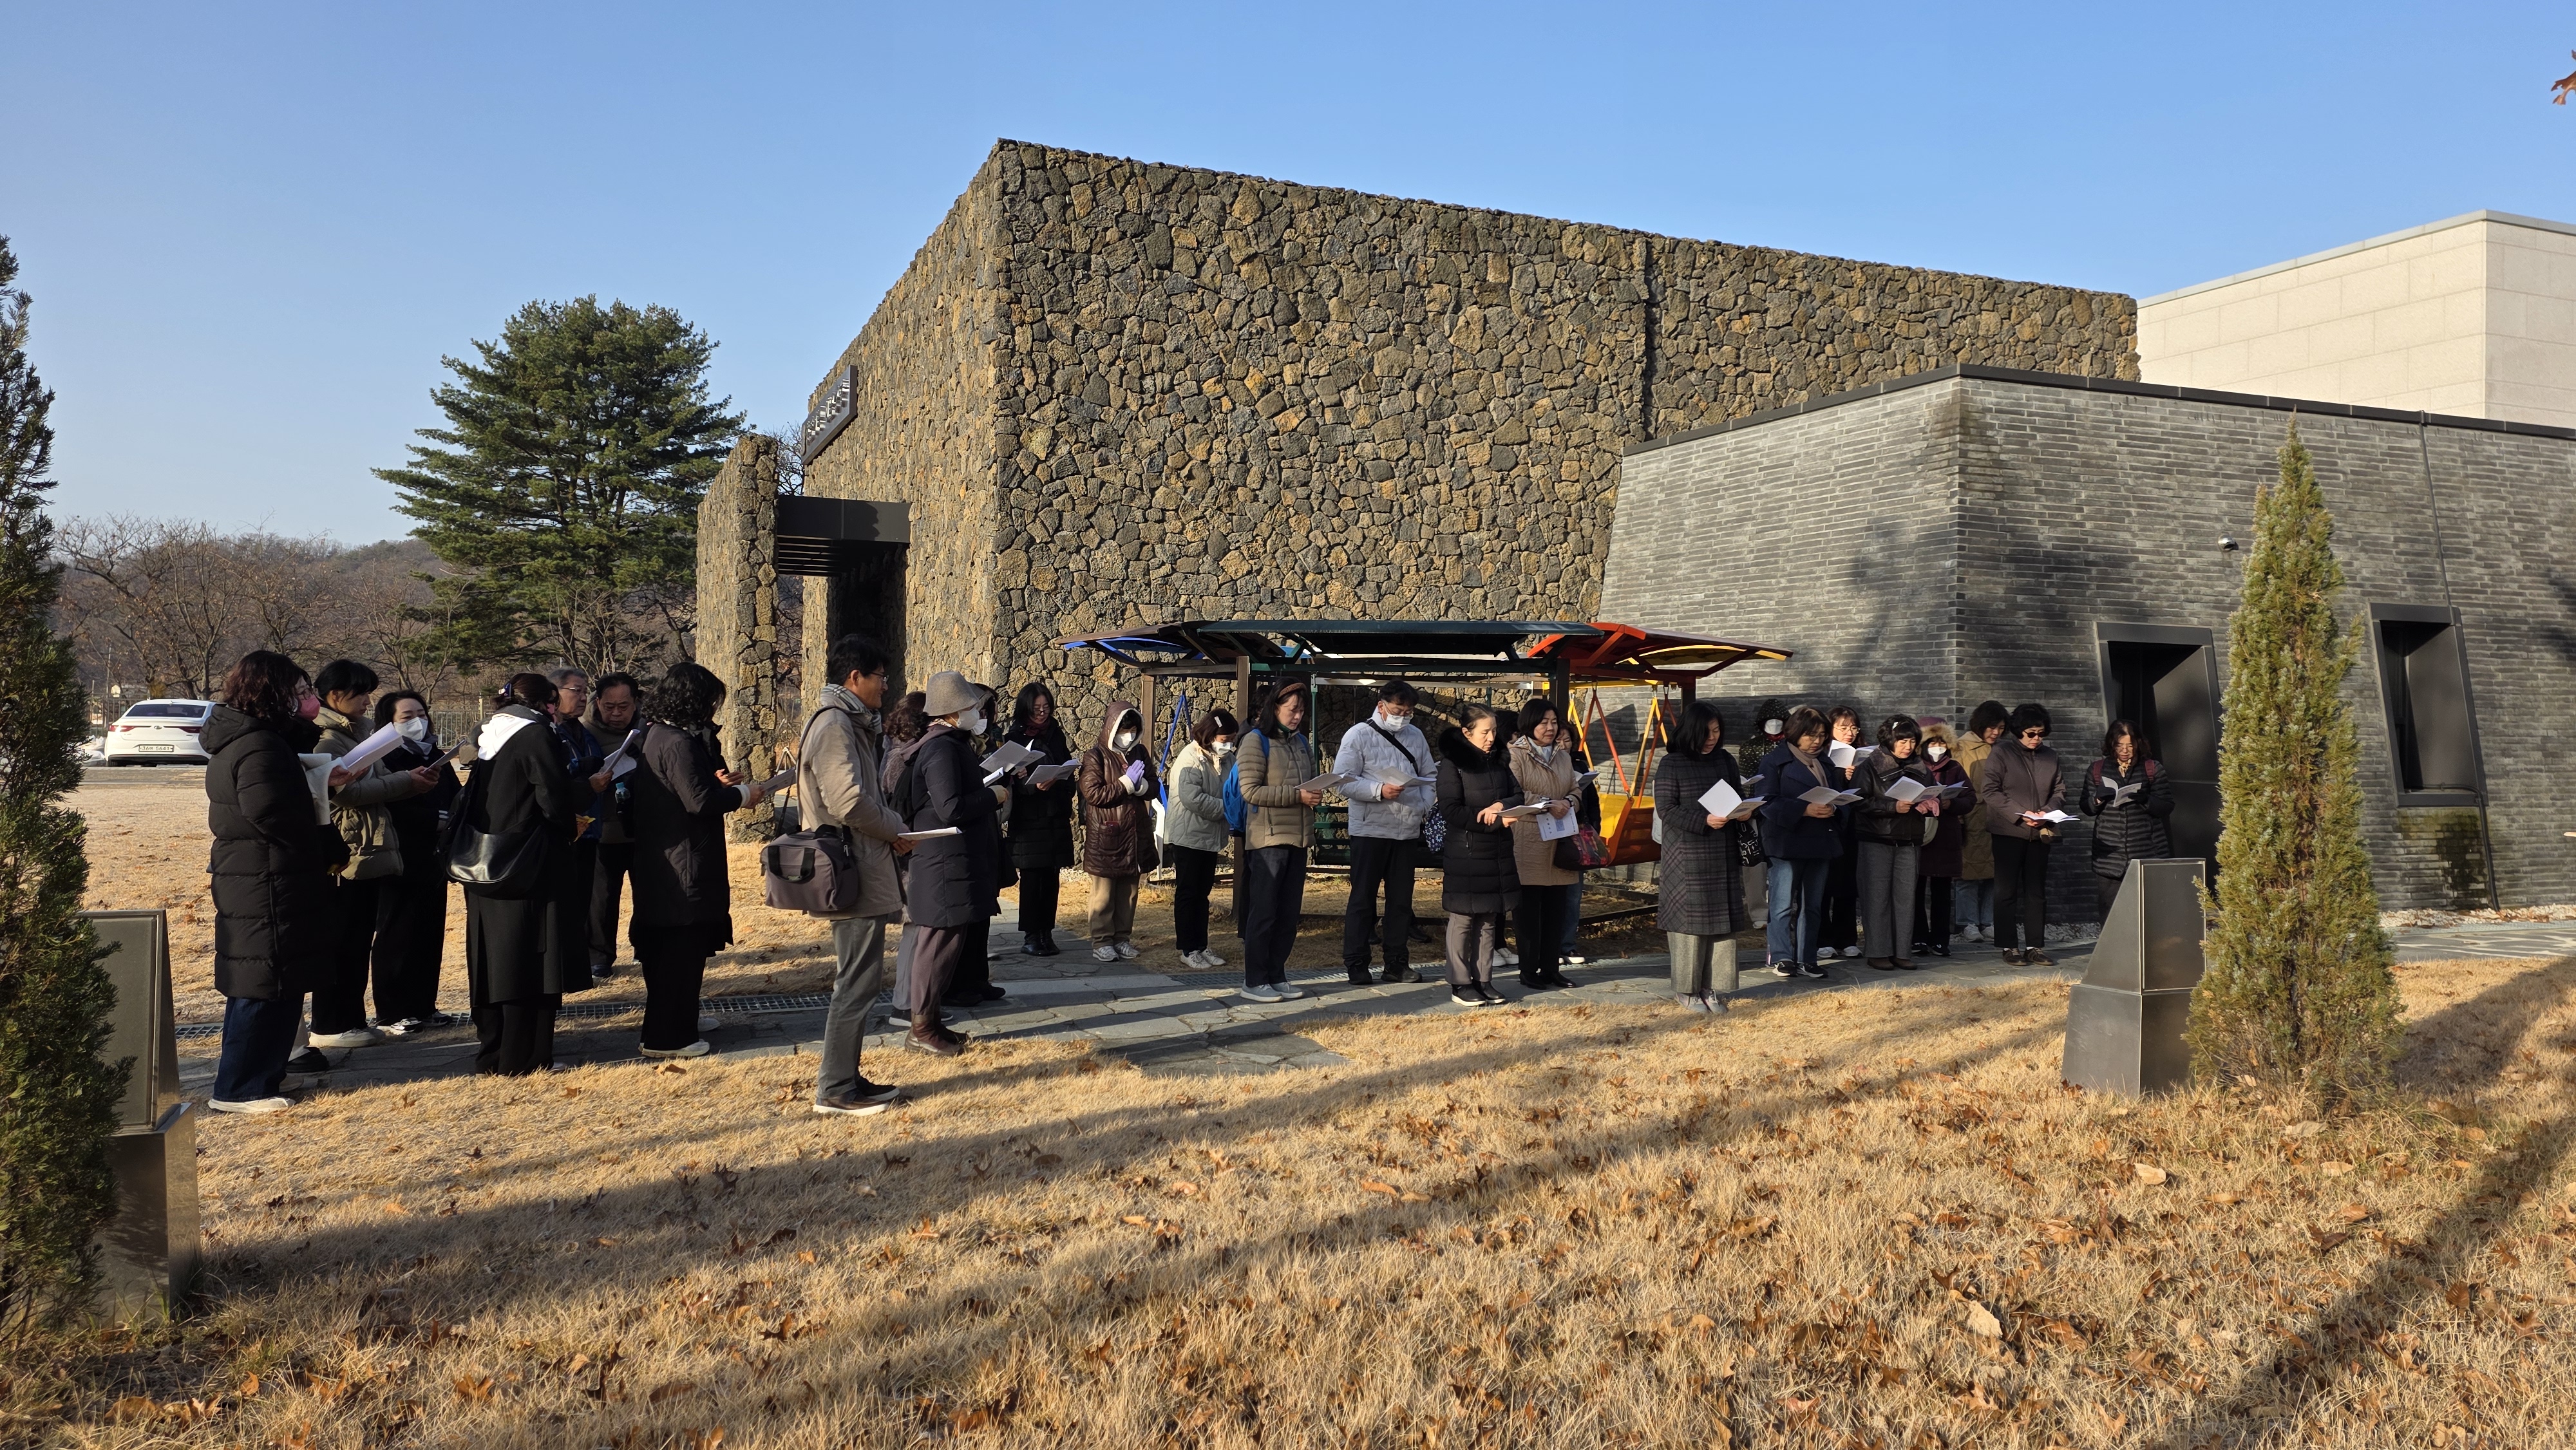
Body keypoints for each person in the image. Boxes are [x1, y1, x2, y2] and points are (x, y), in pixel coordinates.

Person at [205, 652, 350, 1113]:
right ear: (274, 695)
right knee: (263, 983)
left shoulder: (264, 740)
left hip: (271, 875)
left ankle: (267, 1073)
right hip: (265, 879)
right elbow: (269, 812)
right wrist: (317, 830)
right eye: (301, 692)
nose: (310, 701)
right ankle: (239, 1088)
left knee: (280, 980)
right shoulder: (258, 746)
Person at [628, 661, 770, 1059]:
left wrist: (716, 784)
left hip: (668, 854)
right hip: (682, 858)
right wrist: (743, 795)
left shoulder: (658, 734)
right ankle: (667, 1037)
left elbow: (685, 789)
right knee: (679, 947)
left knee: (676, 948)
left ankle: (680, 1019)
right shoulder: (676, 741)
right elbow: (700, 802)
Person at [797, 634, 913, 1115]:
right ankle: (836, 1088)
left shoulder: (847, 723)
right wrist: (894, 828)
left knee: (860, 981)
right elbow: (846, 801)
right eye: (880, 677)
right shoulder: (836, 725)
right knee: (856, 982)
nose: (886, 686)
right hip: (853, 869)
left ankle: (846, 1076)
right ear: (854, 678)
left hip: (860, 864)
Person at [458, 673, 594, 1073]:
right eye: (553, 703)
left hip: (487, 860)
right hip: (527, 864)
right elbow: (552, 798)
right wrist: (577, 812)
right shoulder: (535, 734)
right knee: (528, 959)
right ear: (545, 704)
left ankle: (494, 1052)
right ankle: (525, 1058)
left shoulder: (488, 731)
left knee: (491, 958)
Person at [307, 659, 435, 1048]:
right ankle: (331, 1025)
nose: (367, 701)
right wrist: (406, 782)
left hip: (366, 847)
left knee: (358, 939)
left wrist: (405, 781)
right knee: (344, 940)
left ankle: (351, 1020)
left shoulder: (357, 733)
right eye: (361, 693)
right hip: (349, 849)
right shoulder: (329, 740)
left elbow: (370, 783)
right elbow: (347, 793)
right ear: (335, 696)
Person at [893, 670, 1005, 1056]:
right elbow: (951, 807)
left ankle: (932, 1021)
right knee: (936, 945)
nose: (978, 712)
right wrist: (994, 797)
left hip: (950, 862)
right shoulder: (941, 748)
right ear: (954, 711)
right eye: (972, 705)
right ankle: (922, 1029)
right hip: (942, 865)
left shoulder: (948, 744)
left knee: (947, 943)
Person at [370, 690, 460, 1033]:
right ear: (389, 723)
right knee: (397, 933)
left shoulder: (436, 754)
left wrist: (452, 819)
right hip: (399, 856)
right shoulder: (384, 757)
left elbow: (455, 795)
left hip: (434, 857)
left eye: (421, 714)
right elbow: (388, 805)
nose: (417, 722)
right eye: (407, 717)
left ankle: (424, 1005)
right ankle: (392, 1011)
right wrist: (434, 819)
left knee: (429, 932)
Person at [1652, 700, 1751, 1011]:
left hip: (1723, 852)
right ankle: (1687, 990)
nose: (1712, 738)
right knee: (1689, 927)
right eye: (1706, 732)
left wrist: (1745, 811)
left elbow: (1738, 796)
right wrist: (1704, 820)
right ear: (1691, 731)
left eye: (1717, 731)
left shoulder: (1725, 759)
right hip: (1687, 855)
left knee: (1722, 925)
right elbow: (1666, 809)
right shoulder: (1672, 763)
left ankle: (1712, 988)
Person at [1335, 680, 1433, 985]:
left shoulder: (1416, 736)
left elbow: (1429, 776)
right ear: (1381, 706)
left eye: (1409, 712)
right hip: (1370, 830)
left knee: (1401, 901)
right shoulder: (1358, 735)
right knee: (1362, 899)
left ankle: (1397, 963)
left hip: (1406, 830)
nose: (1403, 717)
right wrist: (1378, 790)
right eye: (1398, 710)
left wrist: (1422, 805)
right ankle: (1357, 963)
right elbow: (1342, 781)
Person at [1233, 679, 1321, 1002]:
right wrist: (1297, 796)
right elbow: (1250, 791)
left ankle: (1276, 974)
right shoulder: (1255, 741)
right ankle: (1254, 981)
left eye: (1301, 711)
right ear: (1275, 708)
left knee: (1288, 915)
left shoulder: (1301, 742)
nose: (1297, 716)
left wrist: (1315, 791)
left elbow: (1309, 782)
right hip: (1268, 841)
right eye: (1292, 710)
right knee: (1264, 913)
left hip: (1298, 839)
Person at [1434, 704, 1519, 1007]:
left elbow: (1518, 794)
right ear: (1466, 733)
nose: (1491, 738)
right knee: (1463, 918)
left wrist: (1501, 806)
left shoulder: (1499, 760)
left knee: (1489, 917)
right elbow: (1450, 810)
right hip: (1466, 852)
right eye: (1485, 732)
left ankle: (1484, 980)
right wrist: (1494, 821)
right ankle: (1460, 983)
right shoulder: (1452, 765)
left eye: (1494, 731)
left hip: (1498, 852)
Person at [1757, 706, 1846, 979]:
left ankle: (1808, 957)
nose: (1817, 741)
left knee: (1813, 906)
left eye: (1821, 735)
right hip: (1787, 842)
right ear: (1795, 733)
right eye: (1810, 735)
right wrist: (1804, 809)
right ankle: (1782, 956)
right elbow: (1766, 802)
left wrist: (1835, 808)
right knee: (1783, 904)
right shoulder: (1774, 762)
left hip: (1821, 841)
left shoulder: (1827, 764)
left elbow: (1841, 797)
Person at [1978, 702, 2065, 966]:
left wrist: (2046, 812)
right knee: (2006, 891)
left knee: (2036, 891)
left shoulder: (2050, 756)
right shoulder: (2002, 753)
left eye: (2041, 733)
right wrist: (2020, 814)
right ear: (2018, 731)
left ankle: (2034, 946)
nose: (2037, 739)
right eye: (2031, 733)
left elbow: (2060, 791)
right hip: (2008, 831)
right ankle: (2009, 946)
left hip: (2040, 832)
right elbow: (1990, 790)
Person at [1075, 699, 1160, 963]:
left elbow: (1154, 785)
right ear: (1112, 728)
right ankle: (1101, 940)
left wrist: (1142, 786)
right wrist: (1126, 784)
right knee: (1104, 893)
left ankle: (1122, 938)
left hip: (1134, 834)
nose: (1129, 736)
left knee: (1129, 892)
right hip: (1107, 835)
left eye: (1133, 730)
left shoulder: (1139, 752)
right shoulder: (1096, 756)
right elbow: (1093, 794)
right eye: (1124, 730)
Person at [1854, 714, 1939, 972]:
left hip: (1910, 839)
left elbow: (1931, 790)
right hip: (1877, 838)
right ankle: (1878, 952)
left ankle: (1902, 952)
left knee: (1906, 898)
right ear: (1889, 740)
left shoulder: (1921, 767)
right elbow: (1858, 801)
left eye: (1912, 741)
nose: (1908, 747)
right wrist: (1893, 807)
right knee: (1877, 897)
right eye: (1902, 741)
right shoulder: (1869, 766)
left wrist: (1931, 801)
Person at [1506, 697, 1580, 992]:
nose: (1550, 728)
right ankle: (1528, 970)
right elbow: (1514, 793)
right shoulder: (1516, 755)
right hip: (1529, 839)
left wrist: (1569, 802)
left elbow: (1576, 789)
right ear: (1530, 723)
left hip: (1559, 839)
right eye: (1543, 722)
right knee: (1528, 912)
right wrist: (1549, 803)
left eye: (1554, 722)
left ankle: (1551, 968)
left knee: (1556, 910)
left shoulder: (1562, 756)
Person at [1001, 682, 1077, 956]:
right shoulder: (1014, 738)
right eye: (1036, 708)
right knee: (1033, 880)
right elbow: (1008, 780)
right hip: (1029, 821)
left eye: (1046, 707)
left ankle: (1047, 932)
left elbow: (1068, 769)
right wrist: (1032, 784)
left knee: (1052, 878)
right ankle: (1031, 936)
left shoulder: (1056, 733)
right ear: (1026, 709)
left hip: (1055, 817)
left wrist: (1059, 777)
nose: (1042, 713)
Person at [1164, 707, 1238, 972]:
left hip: (1210, 837)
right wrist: (1227, 809)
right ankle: (1188, 948)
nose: (1229, 745)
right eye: (1225, 740)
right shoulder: (1190, 758)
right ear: (1210, 736)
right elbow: (1192, 798)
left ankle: (1201, 945)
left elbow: (1235, 787)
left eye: (1232, 740)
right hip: (1188, 836)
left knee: (1203, 893)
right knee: (1188, 893)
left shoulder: (1228, 759)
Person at [2081, 719, 2175, 918]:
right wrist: (2098, 798)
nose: (2125, 750)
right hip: (2109, 858)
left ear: (2138, 744)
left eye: (2130, 745)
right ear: (2111, 744)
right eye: (2119, 745)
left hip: (2147, 853)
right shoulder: (2097, 769)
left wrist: (2146, 800)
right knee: (2111, 913)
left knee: (2148, 912)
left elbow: (2167, 806)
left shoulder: (2152, 768)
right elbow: (2086, 807)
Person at [879, 692, 932, 1026]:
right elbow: (898, 804)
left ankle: (912, 1002)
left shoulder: (894, 749)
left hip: (907, 850)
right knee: (914, 928)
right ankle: (905, 1004)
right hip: (907, 851)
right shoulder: (902, 757)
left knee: (916, 928)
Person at [585, 672, 642, 979]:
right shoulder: (583, 732)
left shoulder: (649, 731)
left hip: (643, 828)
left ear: (636, 703)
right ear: (597, 703)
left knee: (648, 893)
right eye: (609, 707)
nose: (617, 713)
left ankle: (645, 947)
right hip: (601, 829)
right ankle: (599, 957)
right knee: (601, 898)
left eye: (624, 706)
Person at [1911, 722, 1973, 959]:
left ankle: (1940, 940)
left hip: (1946, 834)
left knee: (1942, 892)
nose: (1938, 747)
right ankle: (1917, 937)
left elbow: (1970, 798)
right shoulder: (1914, 767)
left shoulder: (1955, 768)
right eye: (1932, 743)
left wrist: (1951, 803)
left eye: (1941, 743)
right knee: (1915, 889)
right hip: (1920, 833)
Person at [1951, 701, 2007, 945]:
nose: (1996, 733)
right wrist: (1959, 819)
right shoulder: (1961, 748)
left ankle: (1988, 921)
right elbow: (1956, 787)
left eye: (2001, 728)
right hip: (1972, 817)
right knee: (1968, 874)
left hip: (1999, 818)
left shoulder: (2003, 749)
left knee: (1995, 874)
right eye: (1992, 727)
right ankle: (1968, 923)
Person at [1818, 705, 1866, 962]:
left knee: (1848, 885)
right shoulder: (1820, 756)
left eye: (1854, 728)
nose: (1850, 733)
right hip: (1828, 826)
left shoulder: (1862, 755)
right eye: (1843, 727)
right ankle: (1823, 939)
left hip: (1852, 828)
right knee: (1824, 885)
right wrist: (1840, 775)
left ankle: (1847, 938)